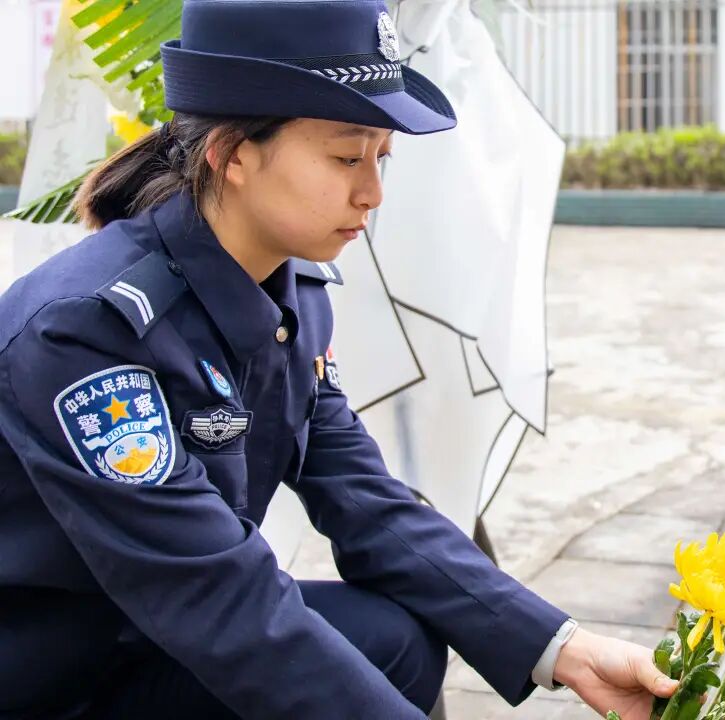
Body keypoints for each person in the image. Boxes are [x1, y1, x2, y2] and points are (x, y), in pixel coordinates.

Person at [0, 1, 680, 718]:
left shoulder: (289, 294)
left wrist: (566, 648)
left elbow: (364, 500)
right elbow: (219, 598)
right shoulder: (85, 333)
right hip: (58, 682)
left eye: (381, 158)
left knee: (396, 640)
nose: (373, 193)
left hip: (154, 638)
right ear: (232, 154)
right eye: (347, 157)